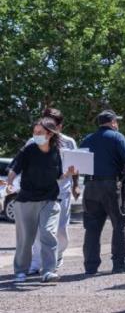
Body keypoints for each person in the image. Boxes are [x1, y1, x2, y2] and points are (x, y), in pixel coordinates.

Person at [6, 118, 76, 283]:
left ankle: (49, 270)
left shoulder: (57, 152)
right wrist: (9, 183)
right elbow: (14, 169)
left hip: (50, 199)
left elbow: (59, 175)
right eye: (34, 132)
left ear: (50, 134)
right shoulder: (28, 150)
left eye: (40, 133)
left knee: (48, 233)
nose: (35, 135)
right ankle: (21, 271)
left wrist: (68, 174)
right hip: (27, 200)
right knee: (26, 238)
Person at [22, 108, 79, 275]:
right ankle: (36, 263)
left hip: (62, 192)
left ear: (60, 127)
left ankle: (58, 255)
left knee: (60, 229)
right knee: (40, 229)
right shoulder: (33, 142)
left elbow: (76, 166)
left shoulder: (69, 142)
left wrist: (76, 184)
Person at [80, 110, 125, 275]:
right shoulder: (117, 137)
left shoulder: (87, 139)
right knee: (120, 223)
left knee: (92, 227)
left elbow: (77, 163)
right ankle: (119, 263)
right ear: (113, 122)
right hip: (111, 186)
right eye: (116, 122)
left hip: (90, 186)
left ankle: (90, 266)